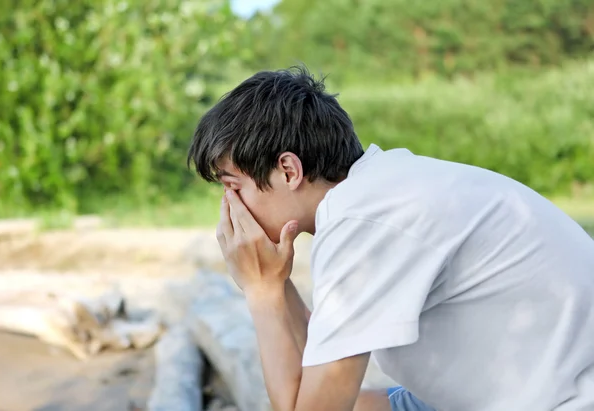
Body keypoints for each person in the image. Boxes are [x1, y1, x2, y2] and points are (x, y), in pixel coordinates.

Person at [187, 66, 594, 411]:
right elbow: (322, 351)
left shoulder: (364, 221)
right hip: (518, 386)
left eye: (232, 185)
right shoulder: (377, 190)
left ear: (289, 171)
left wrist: (261, 292)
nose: (228, 204)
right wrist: (274, 281)